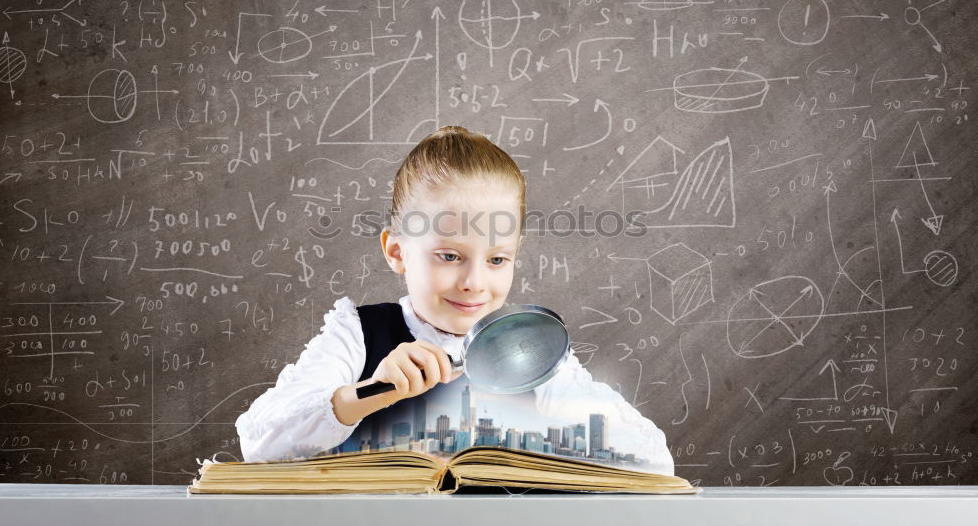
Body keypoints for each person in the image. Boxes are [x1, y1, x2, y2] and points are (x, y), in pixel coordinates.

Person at [235, 126, 676, 475]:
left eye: (498, 259)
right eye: (449, 255)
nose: (474, 282)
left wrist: (553, 417)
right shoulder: (356, 333)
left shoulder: (532, 350)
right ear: (397, 251)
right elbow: (259, 442)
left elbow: (655, 460)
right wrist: (369, 392)